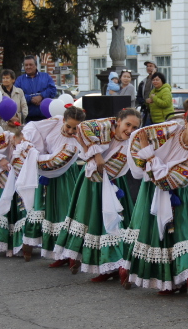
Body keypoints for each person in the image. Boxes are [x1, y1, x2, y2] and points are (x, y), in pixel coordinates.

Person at [120, 109, 188, 300]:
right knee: (151, 233)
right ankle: (161, 278)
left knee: (181, 235)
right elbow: (139, 140)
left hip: (176, 193)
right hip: (151, 189)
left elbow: (167, 181)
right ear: (185, 122)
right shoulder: (168, 131)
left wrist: (149, 155)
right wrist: (145, 158)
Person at [52, 108, 141, 281]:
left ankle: (114, 264)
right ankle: (81, 256)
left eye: (134, 127)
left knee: (110, 223)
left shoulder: (132, 141)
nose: (129, 130)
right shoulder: (105, 126)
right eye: (127, 124)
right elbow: (83, 127)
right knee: (88, 218)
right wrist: (97, 154)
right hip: (92, 180)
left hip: (114, 182)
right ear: (119, 121)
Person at [19, 106, 87, 266]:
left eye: (75, 128)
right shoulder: (55, 122)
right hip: (44, 173)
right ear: (63, 120)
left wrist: (32, 156)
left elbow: (54, 164)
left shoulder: (75, 142)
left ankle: (69, 253)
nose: (71, 131)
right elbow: (33, 127)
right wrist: (29, 145)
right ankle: (39, 247)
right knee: (41, 209)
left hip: (63, 176)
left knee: (63, 212)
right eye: (68, 126)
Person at [0, 126, 30, 259]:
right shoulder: (4, 139)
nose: (21, 146)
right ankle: (7, 244)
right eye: (19, 143)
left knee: (21, 212)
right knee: (5, 212)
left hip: (20, 185)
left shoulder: (28, 146)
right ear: (14, 138)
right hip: (4, 183)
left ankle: (22, 243)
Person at [15, 55, 57, 122]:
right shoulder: (19, 80)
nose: (28, 67)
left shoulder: (46, 77)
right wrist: (31, 99)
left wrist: (41, 96)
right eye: (26, 65)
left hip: (46, 117)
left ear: (36, 65)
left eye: (31, 65)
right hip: (28, 118)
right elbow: (17, 95)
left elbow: (53, 90)